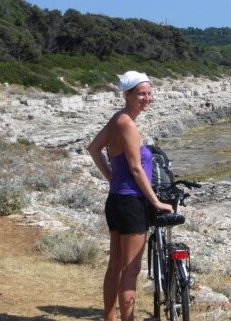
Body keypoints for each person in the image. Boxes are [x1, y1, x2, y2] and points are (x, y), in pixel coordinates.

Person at [88, 70, 173, 321]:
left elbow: (94, 149)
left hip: (116, 201)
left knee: (115, 265)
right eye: (141, 94)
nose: (147, 98)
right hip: (131, 204)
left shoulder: (118, 119)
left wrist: (112, 178)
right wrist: (155, 201)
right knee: (130, 269)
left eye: (149, 93)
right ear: (127, 94)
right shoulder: (128, 125)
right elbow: (136, 168)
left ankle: (109, 318)